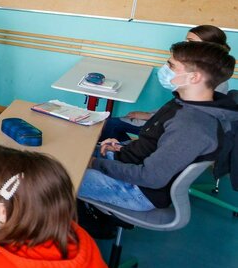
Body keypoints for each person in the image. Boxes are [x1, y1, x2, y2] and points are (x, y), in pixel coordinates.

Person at [81, 41, 238, 211]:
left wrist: (95, 163)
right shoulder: (184, 102)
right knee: (67, 153)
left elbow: (151, 177)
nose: (165, 69)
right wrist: (121, 148)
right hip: (129, 165)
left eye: (171, 65)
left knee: (53, 177)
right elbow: (153, 144)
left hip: (137, 190)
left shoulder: (192, 125)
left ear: (194, 77)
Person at [101, 24, 232, 141]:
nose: (185, 44)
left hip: (165, 127)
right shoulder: (197, 78)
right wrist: (150, 115)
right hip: (162, 122)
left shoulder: (208, 84)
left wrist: (151, 117)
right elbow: (176, 106)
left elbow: (183, 116)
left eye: (191, 42)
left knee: (110, 124)